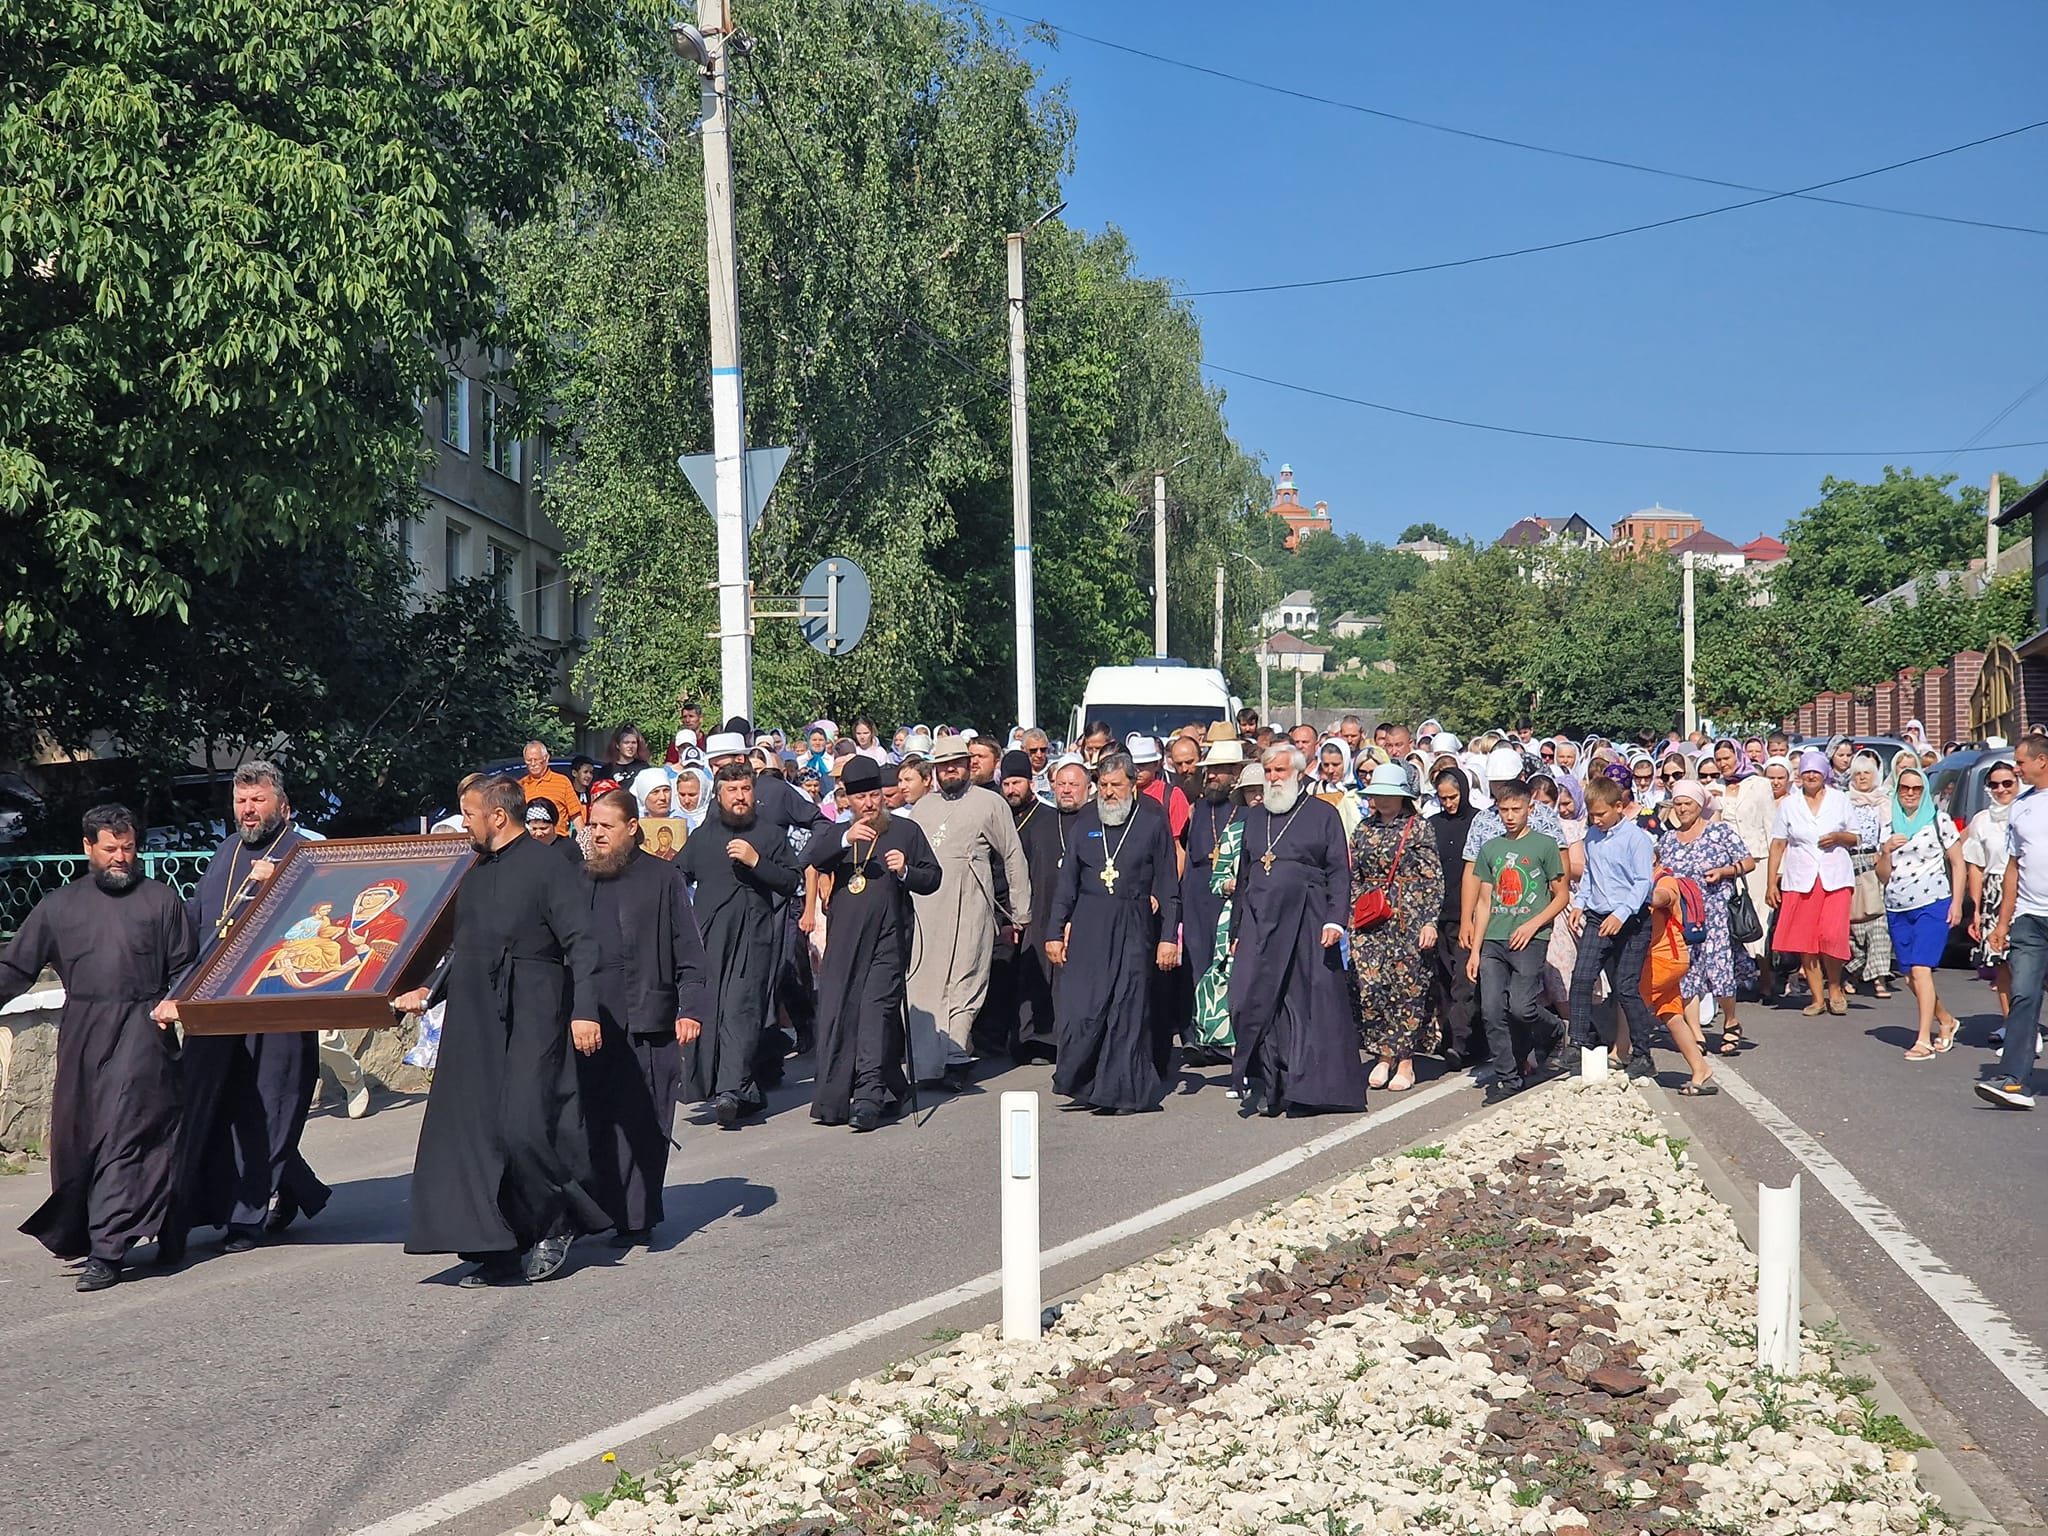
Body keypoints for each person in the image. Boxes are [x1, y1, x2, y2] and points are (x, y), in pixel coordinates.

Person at [394, 776, 611, 1287]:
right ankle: (497, 1244)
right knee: (475, 1133)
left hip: (536, 1008)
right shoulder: (474, 875)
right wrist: (428, 991)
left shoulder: (549, 866)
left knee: (523, 1127)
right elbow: (464, 949)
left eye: (469, 814)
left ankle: (555, 1222)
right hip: (477, 1017)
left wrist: (585, 1011)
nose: (463, 824)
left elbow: (582, 942)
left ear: (497, 816)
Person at [2, 807, 193, 1292]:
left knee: (125, 1133)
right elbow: (16, 967)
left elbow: (186, 967)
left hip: (144, 1029)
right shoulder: (59, 906)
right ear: (88, 847)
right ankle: (166, 1222)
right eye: (110, 849)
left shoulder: (161, 900)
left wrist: (175, 1000)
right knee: (83, 1140)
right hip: (84, 1035)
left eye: (128, 848)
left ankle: (107, 1253)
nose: (120, 858)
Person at [170, 760, 331, 1255]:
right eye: (241, 801)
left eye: (258, 800)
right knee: (217, 1104)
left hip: (279, 1004)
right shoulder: (228, 851)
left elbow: (326, 922)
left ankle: (247, 1216)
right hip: (220, 1002)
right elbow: (200, 919)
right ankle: (296, 1190)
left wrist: (279, 881)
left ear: (283, 806)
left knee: (271, 1106)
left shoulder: (303, 855)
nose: (248, 809)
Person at [574, 790, 711, 1243]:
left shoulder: (663, 877)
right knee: (597, 1119)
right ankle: (600, 1209)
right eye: (593, 825)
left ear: (632, 828)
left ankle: (637, 1216)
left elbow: (688, 948)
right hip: (594, 1020)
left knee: (647, 1120)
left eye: (606, 826)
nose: (597, 834)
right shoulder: (580, 879)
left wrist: (690, 1009)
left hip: (649, 1018)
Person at [801, 758, 941, 1130]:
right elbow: (812, 859)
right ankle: (848, 1096)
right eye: (861, 798)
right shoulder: (838, 834)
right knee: (841, 1015)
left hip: (888, 939)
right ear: (847, 800)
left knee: (875, 1014)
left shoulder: (905, 831)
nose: (869, 804)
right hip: (845, 943)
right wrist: (846, 839)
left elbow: (933, 877)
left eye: (875, 796)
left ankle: (867, 1099)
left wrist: (906, 871)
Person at [1228, 744, 1365, 1116]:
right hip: (1260, 922)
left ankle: (1305, 1090)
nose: (1273, 778)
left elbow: (1339, 871)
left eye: (1280, 771)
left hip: (1308, 919)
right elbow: (1244, 876)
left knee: (1305, 1004)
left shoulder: (1322, 814)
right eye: (1268, 771)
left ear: (1299, 773)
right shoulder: (1255, 817)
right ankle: (1268, 1082)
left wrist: (1335, 920)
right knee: (1247, 998)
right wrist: (1236, 930)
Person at [1043, 754, 1179, 1113]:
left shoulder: (1152, 822)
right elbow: (1067, 883)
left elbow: (1168, 886)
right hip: (1089, 923)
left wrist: (1168, 937)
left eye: (1116, 785)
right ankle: (1085, 1083)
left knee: (1126, 1009)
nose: (1108, 792)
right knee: (1082, 1008)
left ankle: (1122, 1093)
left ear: (1132, 786)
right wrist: (1054, 931)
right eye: (1103, 785)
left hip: (1134, 921)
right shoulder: (1086, 821)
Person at [678, 761, 802, 1126]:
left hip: (753, 938)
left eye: (746, 789)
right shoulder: (703, 836)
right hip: (709, 937)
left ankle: (731, 1090)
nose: (740, 797)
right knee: (711, 1010)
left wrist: (756, 861)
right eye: (732, 790)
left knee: (741, 1011)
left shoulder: (769, 834)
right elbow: (678, 874)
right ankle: (737, 1088)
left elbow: (790, 881)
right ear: (719, 795)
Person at [905, 736, 1031, 1091]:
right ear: (935, 770)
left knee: (965, 982)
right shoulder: (922, 808)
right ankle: (927, 1065)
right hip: (925, 908)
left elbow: (1012, 855)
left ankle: (955, 1058)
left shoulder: (990, 803)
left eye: (956, 763)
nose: (950, 770)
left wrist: (1020, 911)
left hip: (971, 904)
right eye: (943, 765)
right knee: (924, 985)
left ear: (967, 765)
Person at [1466, 779, 1568, 1103]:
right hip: (1493, 939)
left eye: (1516, 809)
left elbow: (1561, 895)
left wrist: (1533, 925)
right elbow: (1484, 901)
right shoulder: (1491, 848)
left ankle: (1554, 1030)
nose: (1510, 816)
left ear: (1530, 809)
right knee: (1491, 1010)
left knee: (1522, 1008)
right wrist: (1475, 950)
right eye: (1504, 810)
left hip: (1530, 939)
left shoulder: (1545, 845)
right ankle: (1508, 1078)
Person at [1349, 764, 1441, 1094]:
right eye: (1378, 794)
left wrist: (1429, 920)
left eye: (1389, 794)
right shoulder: (1363, 829)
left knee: (1408, 987)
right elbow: (1354, 874)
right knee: (1371, 986)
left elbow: (1432, 877)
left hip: (1409, 915)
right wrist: (1353, 911)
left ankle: (1404, 1060)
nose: (1383, 800)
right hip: (1371, 917)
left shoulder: (1419, 828)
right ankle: (1382, 1052)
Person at [1567, 775, 1659, 1079]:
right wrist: (1579, 903)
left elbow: (1643, 883)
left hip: (1631, 920)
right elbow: (1590, 876)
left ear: (1618, 806)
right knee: (1582, 977)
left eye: (1601, 814)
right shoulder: (1592, 836)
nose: (1596, 820)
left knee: (1626, 987)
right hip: (1598, 916)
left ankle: (1642, 1053)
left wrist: (1621, 914)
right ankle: (1577, 1041)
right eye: (1592, 815)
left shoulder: (1636, 839)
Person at [1656, 780, 1756, 1059]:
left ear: (1699, 805)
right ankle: (1696, 1034)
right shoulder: (1668, 839)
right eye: (1678, 804)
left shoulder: (1719, 832)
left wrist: (1724, 872)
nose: (1682, 809)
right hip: (1682, 917)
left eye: (1687, 803)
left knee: (1719, 971)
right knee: (1686, 975)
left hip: (1715, 914)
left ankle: (1731, 1021)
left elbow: (1748, 862)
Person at [1876, 765, 1965, 1061]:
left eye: (1916, 788)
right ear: (1897, 791)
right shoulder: (1889, 825)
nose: (1911, 793)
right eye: (1905, 788)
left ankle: (1923, 1040)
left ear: (1925, 791)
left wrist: (1957, 903)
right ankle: (1946, 1020)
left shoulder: (1939, 820)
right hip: (1897, 905)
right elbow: (1883, 875)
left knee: (1921, 969)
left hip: (1933, 902)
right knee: (1910, 977)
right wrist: (1886, 851)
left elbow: (1958, 863)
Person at [1979, 734, 2048, 1108]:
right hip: (2029, 917)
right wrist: (2003, 923)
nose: (2016, 770)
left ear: (2042, 761)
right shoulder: (2020, 807)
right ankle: (2015, 1081)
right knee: (2023, 993)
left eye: (2021, 763)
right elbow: (2012, 868)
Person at [1767, 750, 1859, 1017]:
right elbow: (1778, 844)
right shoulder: (1789, 804)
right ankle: (1817, 998)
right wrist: (1771, 883)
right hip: (1800, 879)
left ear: (1824, 774)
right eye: (1806, 771)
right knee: (1806, 940)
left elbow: (1857, 836)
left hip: (1835, 878)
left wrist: (1839, 837)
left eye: (1816, 772)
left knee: (1832, 936)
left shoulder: (1839, 799)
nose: (1810, 776)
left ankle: (1835, 988)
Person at [988, 750, 1063, 1063]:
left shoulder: (1047, 818)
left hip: (1037, 909)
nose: (1011, 790)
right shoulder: (996, 816)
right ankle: (1002, 1039)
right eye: (1006, 784)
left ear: (1030, 782)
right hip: (1000, 908)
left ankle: (1039, 1040)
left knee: (1035, 975)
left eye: (1016, 782)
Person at [1180, 739, 1245, 1064]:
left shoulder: (1245, 810)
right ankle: (1198, 1037)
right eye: (1210, 770)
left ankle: (1227, 1039)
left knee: (1227, 968)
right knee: (1197, 966)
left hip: (1229, 900)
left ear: (1235, 772)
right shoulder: (1200, 808)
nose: (1213, 776)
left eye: (1219, 770)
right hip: (1197, 899)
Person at [1424, 765, 1481, 1070]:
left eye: (1453, 797)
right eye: (1443, 798)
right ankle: (1453, 1038)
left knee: (1464, 980)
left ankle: (1462, 1043)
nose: (1448, 803)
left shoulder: (1477, 823)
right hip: (1440, 915)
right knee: (1444, 980)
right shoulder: (1432, 825)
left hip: (1467, 915)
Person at [1963, 759, 2019, 1029]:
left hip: (2026, 889)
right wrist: (1976, 909)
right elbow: (1976, 866)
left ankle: (2027, 1021)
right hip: (1994, 891)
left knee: (2028, 962)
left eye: (2007, 783)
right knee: (2002, 963)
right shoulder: (1982, 821)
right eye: (1994, 785)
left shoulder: (2029, 812)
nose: (2001, 789)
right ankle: (2011, 1024)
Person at [1842, 751, 1895, 1001]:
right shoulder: (1844, 801)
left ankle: (1879, 978)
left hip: (1874, 862)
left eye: (1867, 773)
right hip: (1848, 863)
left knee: (1878, 922)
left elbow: (1887, 831)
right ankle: (1852, 970)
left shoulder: (1883, 801)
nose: (1862, 778)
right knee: (1852, 922)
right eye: (1858, 774)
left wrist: (1883, 854)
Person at [519, 741, 582, 830]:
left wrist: (583, 838)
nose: (533, 764)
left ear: (546, 758)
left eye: (536, 759)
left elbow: (576, 816)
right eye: (529, 760)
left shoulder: (562, 782)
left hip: (558, 837)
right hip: (531, 836)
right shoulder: (521, 785)